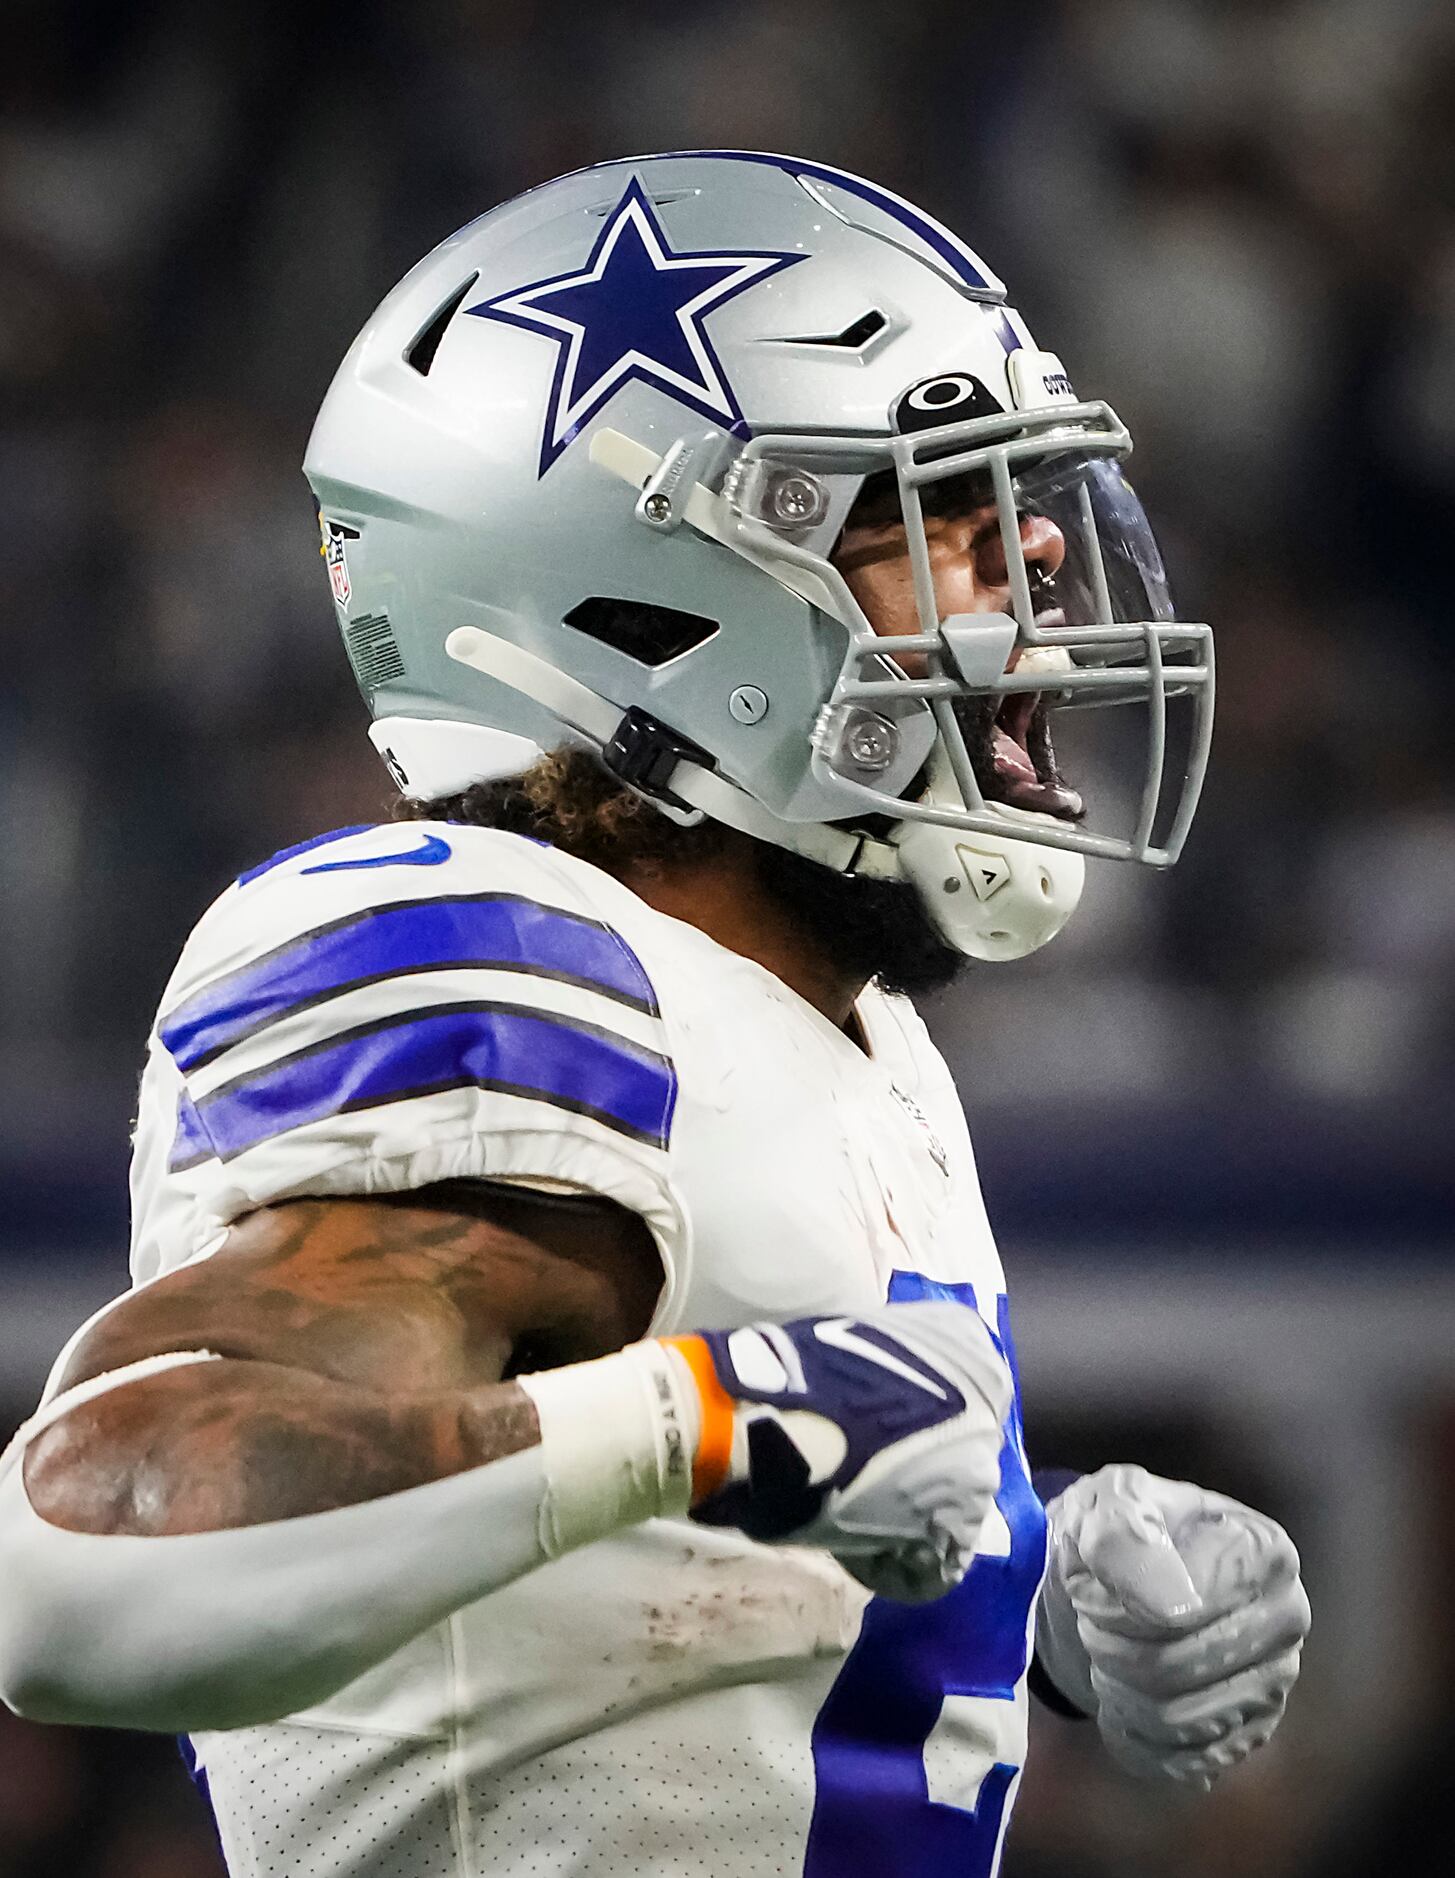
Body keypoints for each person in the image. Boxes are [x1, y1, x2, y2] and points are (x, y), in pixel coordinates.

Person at [0, 151, 1309, 1878]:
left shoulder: (848, 1029)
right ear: (654, 603)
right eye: (933, 515)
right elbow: (101, 1566)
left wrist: (1025, 1583)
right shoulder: (490, 949)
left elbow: (645, 1552)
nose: (1042, 570)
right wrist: (711, 1419)